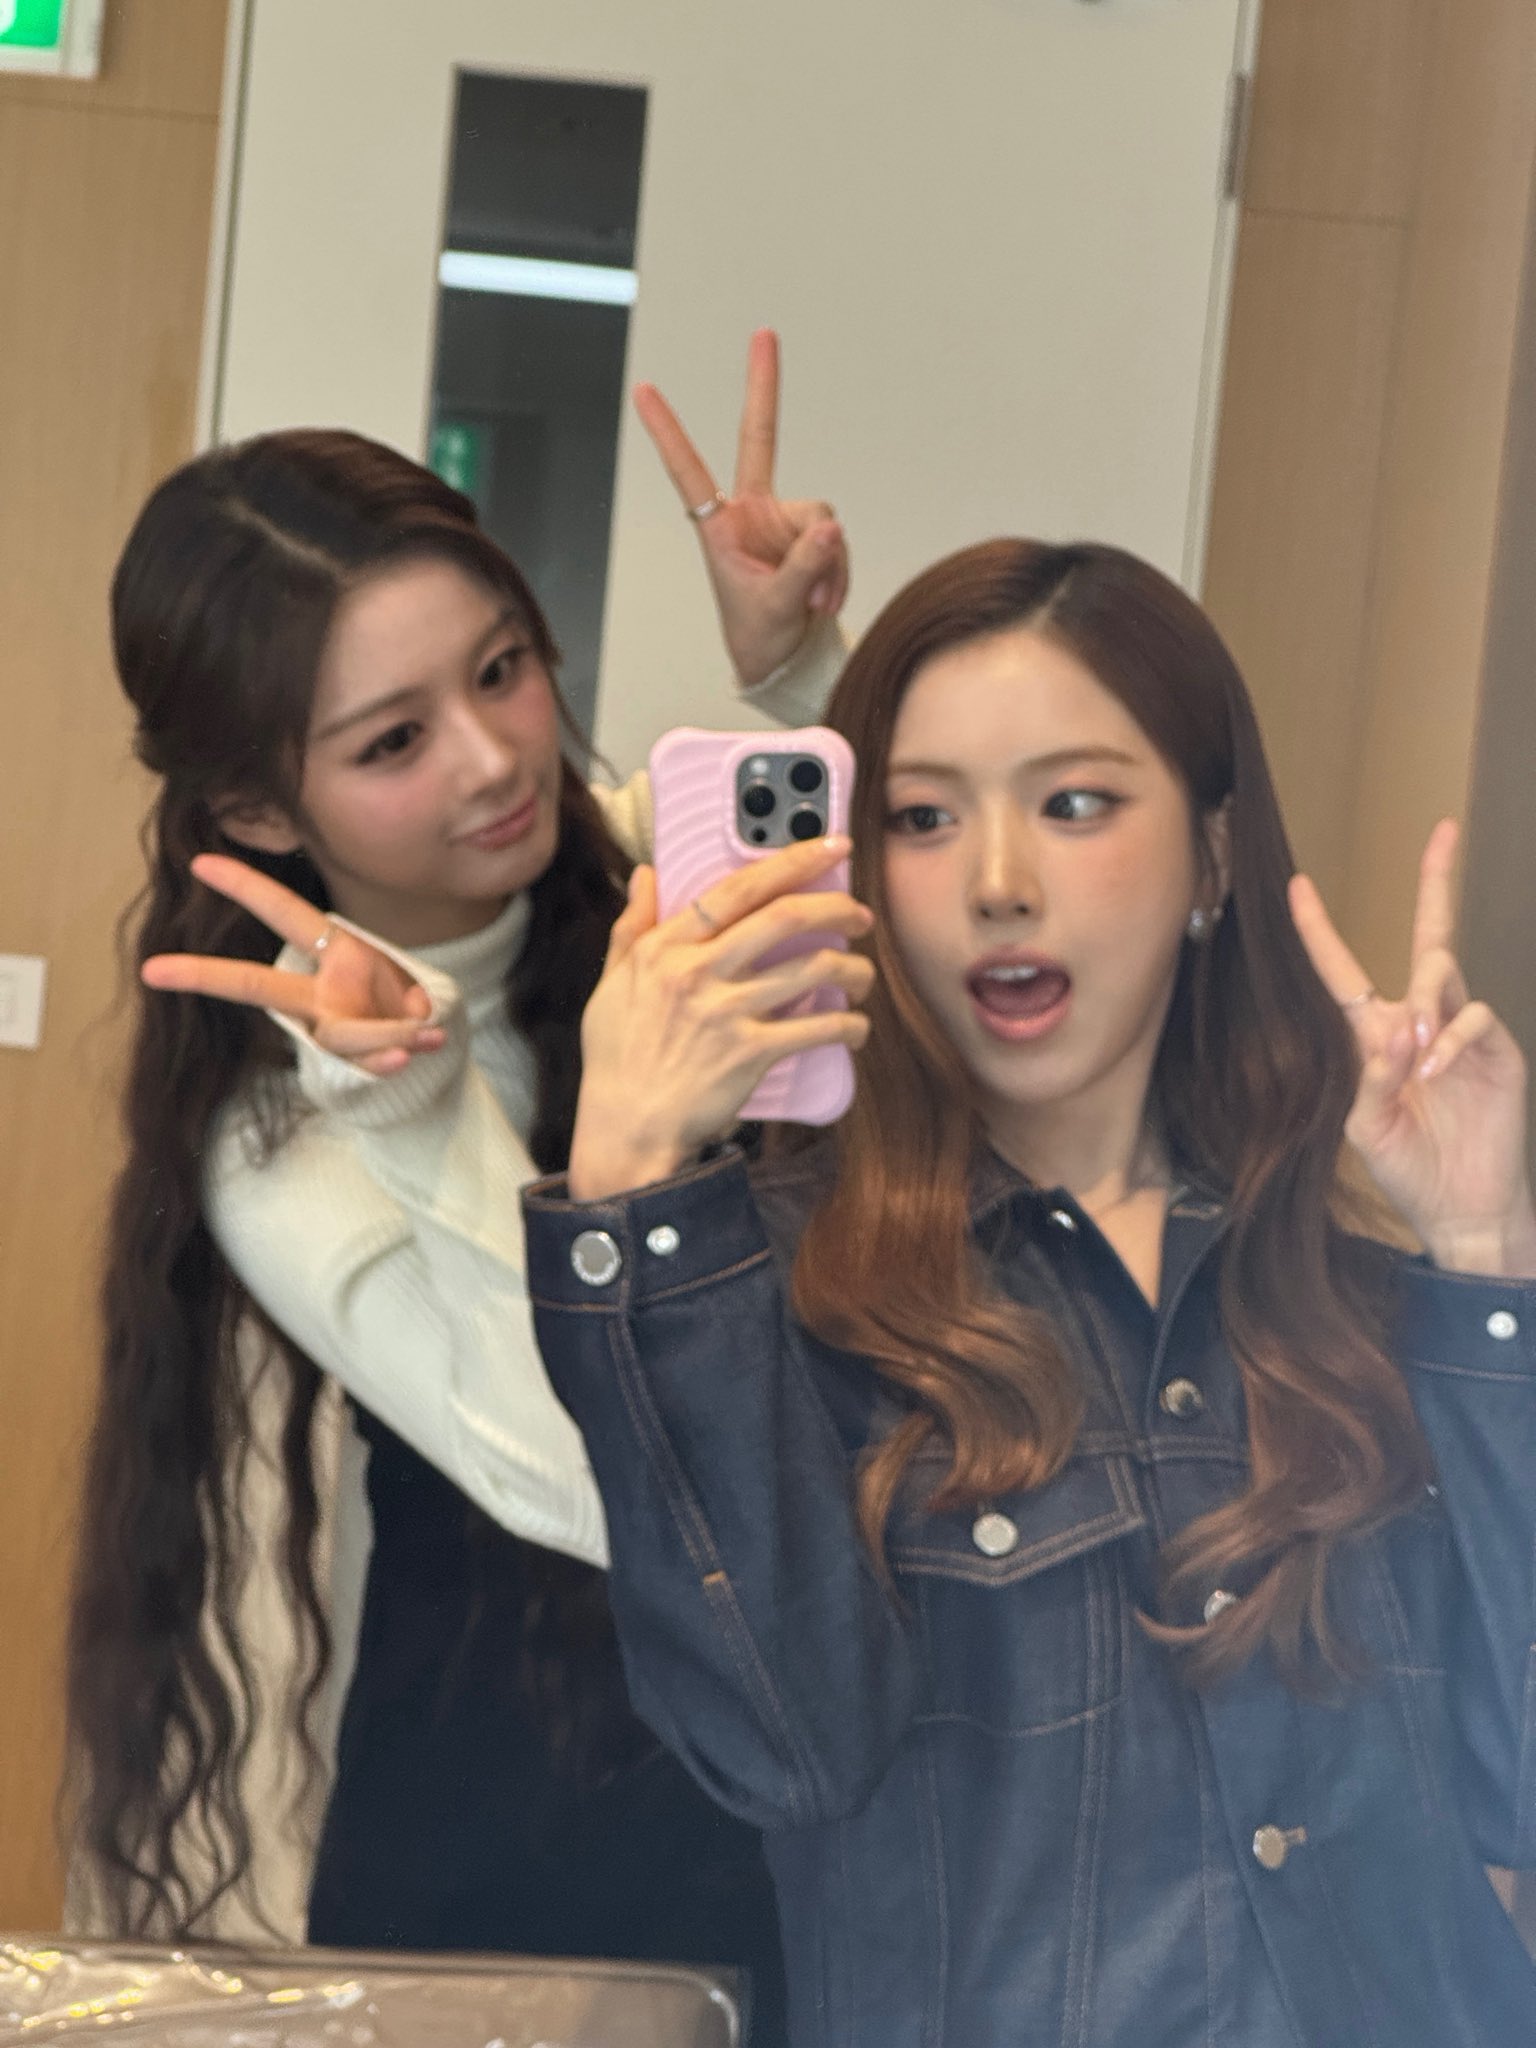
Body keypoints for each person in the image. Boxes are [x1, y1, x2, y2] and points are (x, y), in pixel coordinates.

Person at [524, 537, 1536, 2046]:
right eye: (924, 818)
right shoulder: (766, 1294)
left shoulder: (1354, 1298)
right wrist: (632, 1181)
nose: (999, 885)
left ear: (1211, 858)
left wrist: (1487, 1255)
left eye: (1074, 804)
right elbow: (783, 1752)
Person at [67, 334, 848, 2034]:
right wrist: (422, 1114)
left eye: (500, 669)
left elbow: (955, 928)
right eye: (394, 740)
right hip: (516, 1850)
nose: (495, 759)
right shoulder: (273, 1134)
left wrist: (804, 682)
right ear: (260, 804)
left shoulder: (656, 881)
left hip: (821, 1774)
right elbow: (603, 1490)